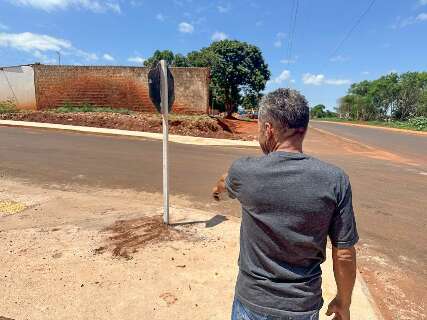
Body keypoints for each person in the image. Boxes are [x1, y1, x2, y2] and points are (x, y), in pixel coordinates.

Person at [212, 88, 359, 320]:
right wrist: (344, 301)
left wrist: (217, 190)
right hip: (302, 307)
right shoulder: (335, 179)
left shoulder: (245, 171)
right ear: (304, 129)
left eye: (260, 129)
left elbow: (224, 180)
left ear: (268, 130)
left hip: (252, 303)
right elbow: (344, 254)